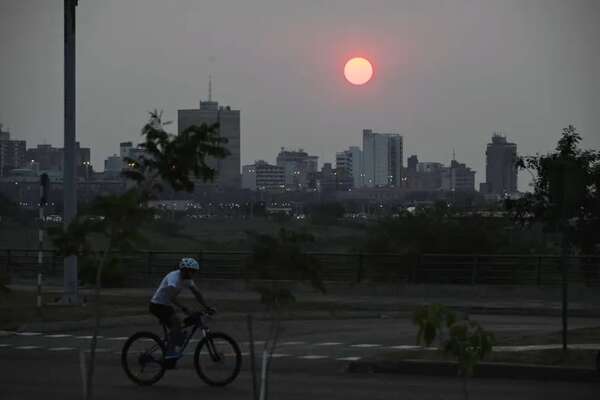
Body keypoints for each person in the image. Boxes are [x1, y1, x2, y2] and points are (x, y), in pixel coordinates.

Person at [149, 257, 216, 359]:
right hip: (157, 305)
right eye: (191, 271)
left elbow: (197, 293)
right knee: (176, 323)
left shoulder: (187, 279)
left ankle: (171, 351)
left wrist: (207, 306)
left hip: (166, 305)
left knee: (179, 329)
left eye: (194, 271)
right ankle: (169, 352)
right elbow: (171, 297)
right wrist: (184, 308)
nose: (193, 274)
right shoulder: (173, 278)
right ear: (184, 270)